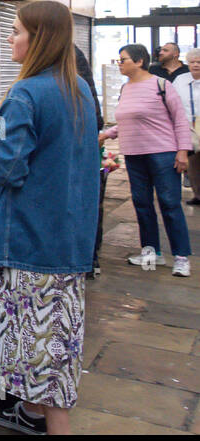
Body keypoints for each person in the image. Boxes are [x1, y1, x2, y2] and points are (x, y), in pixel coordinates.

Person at [0, 0, 98, 436]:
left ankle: (52, 426)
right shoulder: (78, 89)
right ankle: (33, 414)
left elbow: (8, 169)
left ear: (39, 39)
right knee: (55, 336)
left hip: (30, 239)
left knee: (37, 344)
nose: (9, 38)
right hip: (68, 237)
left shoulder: (25, 93)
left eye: (16, 31)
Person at [101, 43, 191, 276]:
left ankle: (181, 256)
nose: (119, 64)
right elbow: (125, 122)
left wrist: (182, 151)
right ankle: (152, 253)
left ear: (139, 61)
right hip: (133, 154)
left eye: (123, 60)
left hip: (163, 153)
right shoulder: (125, 88)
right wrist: (105, 135)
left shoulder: (162, 85)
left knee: (170, 203)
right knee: (142, 204)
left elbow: (180, 120)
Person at [74, 46, 106, 277]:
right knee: (88, 204)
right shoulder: (82, 87)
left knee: (83, 205)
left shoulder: (70, 87)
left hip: (79, 155)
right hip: (85, 152)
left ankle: (88, 259)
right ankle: (89, 260)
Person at [170, 48, 200, 206]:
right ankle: (197, 194)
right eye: (192, 62)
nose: (195, 65)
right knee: (193, 162)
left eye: (199, 62)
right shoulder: (180, 79)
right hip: (186, 123)